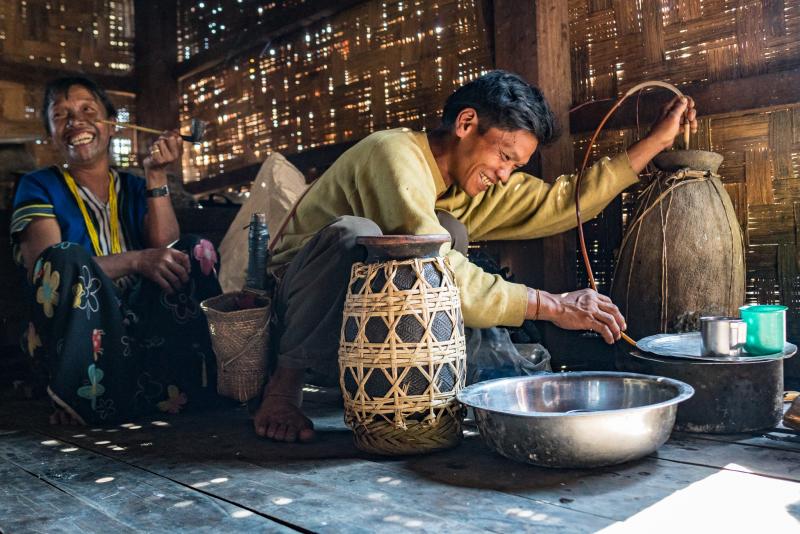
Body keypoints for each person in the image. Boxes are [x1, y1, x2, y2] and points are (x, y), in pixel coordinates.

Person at [253, 70, 697, 443]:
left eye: (515, 166)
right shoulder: (393, 154)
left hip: (357, 330)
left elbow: (566, 202)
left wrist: (657, 142)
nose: (505, 175)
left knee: (450, 230)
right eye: (504, 156)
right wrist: (552, 305)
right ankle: (284, 388)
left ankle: (407, 389)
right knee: (360, 235)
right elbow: (437, 268)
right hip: (297, 308)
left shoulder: (469, 184)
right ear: (466, 123)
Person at [11, 77, 222, 425]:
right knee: (64, 257)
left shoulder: (135, 186)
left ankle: (193, 384)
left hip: (141, 327)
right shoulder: (38, 185)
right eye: (61, 115)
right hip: (75, 338)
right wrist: (136, 260)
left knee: (193, 250)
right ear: (52, 134)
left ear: (111, 125)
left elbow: (166, 248)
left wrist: (155, 176)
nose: (75, 121)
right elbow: (47, 270)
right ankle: (78, 397)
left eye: (86, 110)